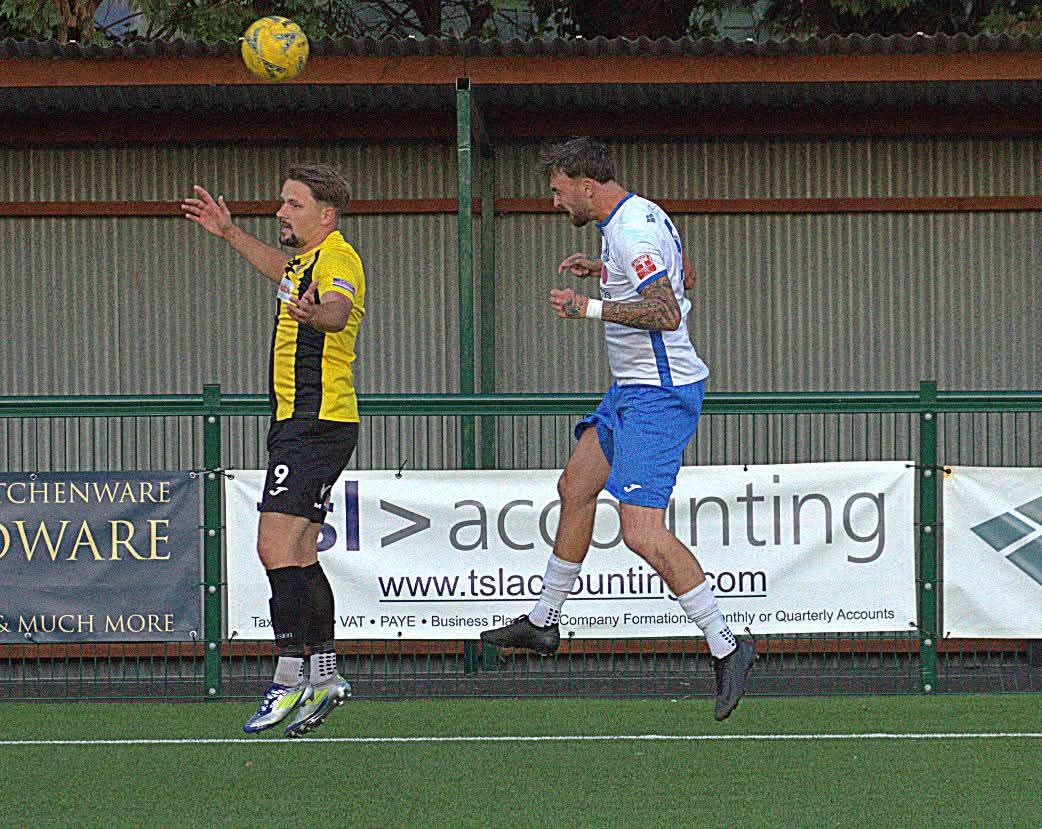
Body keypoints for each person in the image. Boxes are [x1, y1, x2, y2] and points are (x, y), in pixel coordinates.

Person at [480, 138, 756, 721]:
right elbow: (687, 277)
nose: (556, 202)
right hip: (629, 391)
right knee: (575, 488)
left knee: (641, 533)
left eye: (558, 190)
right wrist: (606, 273)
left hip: (659, 395)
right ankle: (543, 621)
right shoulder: (636, 221)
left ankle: (727, 646)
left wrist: (591, 307)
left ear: (586, 183)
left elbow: (667, 311)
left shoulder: (631, 231)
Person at [181, 164, 365, 737]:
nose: (281, 212)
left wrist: (320, 315)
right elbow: (280, 271)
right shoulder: (304, 262)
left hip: (314, 422)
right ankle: (326, 674)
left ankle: (288, 679)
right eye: (282, 203)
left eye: (293, 204)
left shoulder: (337, 257)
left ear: (325, 215)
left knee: (272, 545)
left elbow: (337, 306)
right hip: (302, 423)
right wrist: (231, 233)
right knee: (301, 551)